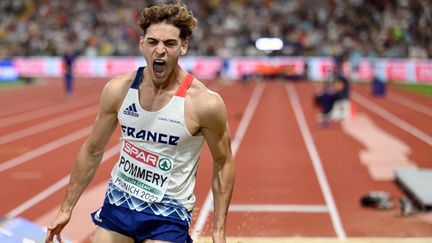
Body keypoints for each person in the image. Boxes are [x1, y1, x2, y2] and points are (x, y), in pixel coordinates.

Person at [45, 1, 235, 243]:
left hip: (168, 214)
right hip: (119, 204)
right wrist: (66, 208)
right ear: (142, 43)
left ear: (184, 46)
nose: (160, 50)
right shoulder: (118, 89)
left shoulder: (205, 104)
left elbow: (223, 162)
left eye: (170, 43)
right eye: (153, 42)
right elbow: (93, 150)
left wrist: (218, 231)